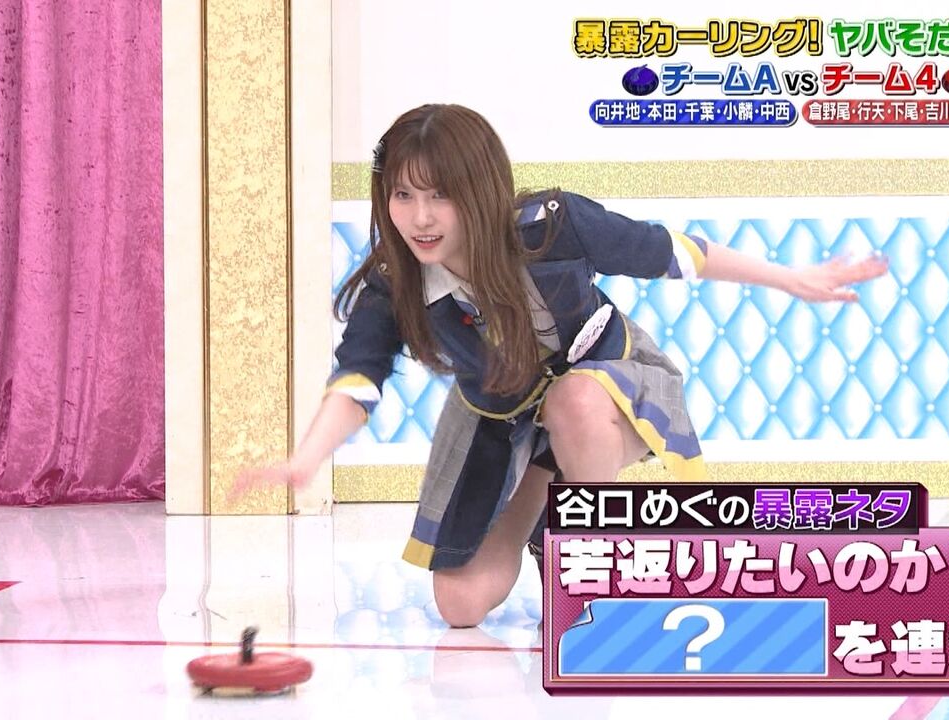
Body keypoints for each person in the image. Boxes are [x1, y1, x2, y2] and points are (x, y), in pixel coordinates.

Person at [232, 103, 888, 628]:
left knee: (572, 400)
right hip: (500, 416)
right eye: (402, 195)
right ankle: (549, 512)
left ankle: (591, 563)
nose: (420, 218)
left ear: (480, 189)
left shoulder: (552, 225)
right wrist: (306, 459)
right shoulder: (394, 280)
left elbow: (674, 253)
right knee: (460, 604)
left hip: (603, 385)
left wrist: (792, 278)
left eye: (440, 195)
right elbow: (358, 379)